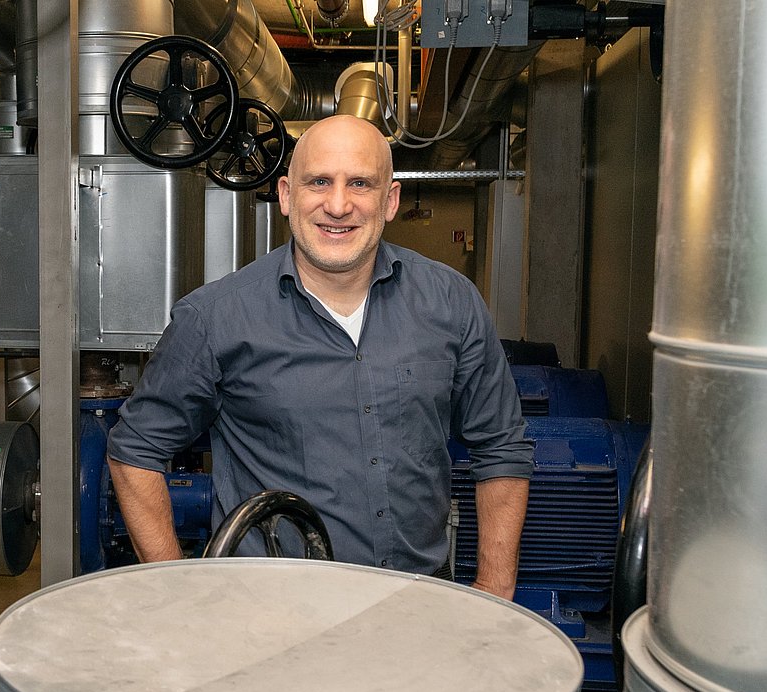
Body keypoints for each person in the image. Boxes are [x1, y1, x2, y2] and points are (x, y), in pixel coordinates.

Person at [105, 114, 532, 598]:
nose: (338, 205)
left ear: (389, 200)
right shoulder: (215, 318)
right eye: (319, 182)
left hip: (419, 603)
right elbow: (136, 449)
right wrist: (177, 593)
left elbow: (501, 447)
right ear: (287, 195)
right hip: (270, 613)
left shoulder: (451, 302)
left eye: (360, 184)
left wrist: (495, 587)